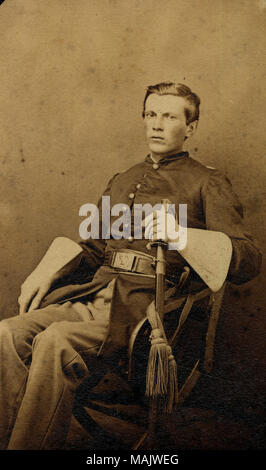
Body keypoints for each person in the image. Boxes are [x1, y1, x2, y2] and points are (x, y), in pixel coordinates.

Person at [0, 82, 261, 450]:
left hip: (145, 314)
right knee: (6, 334)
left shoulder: (208, 181)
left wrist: (182, 236)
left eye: (169, 116)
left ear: (191, 128)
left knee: (55, 342)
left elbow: (248, 258)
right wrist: (46, 270)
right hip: (93, 297)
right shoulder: (122, 180)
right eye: (150, 114)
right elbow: (93, 249)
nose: (156, 124)